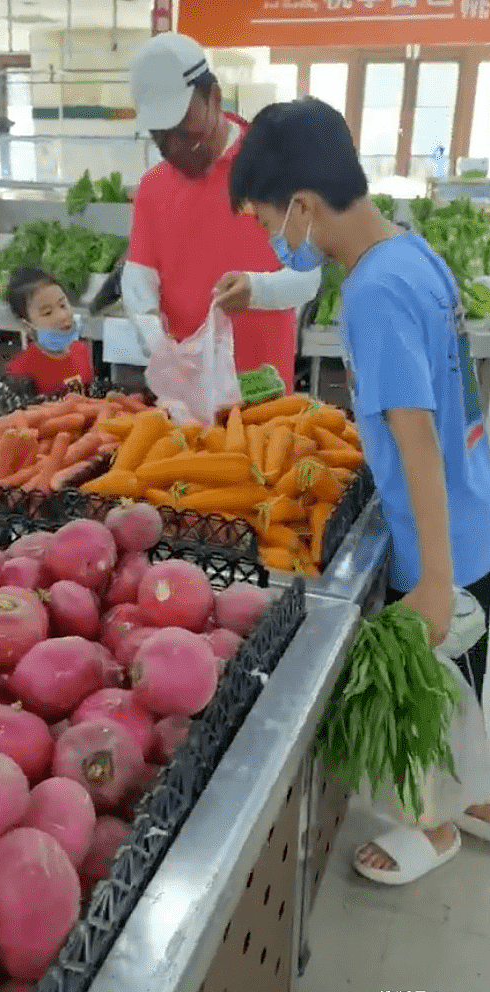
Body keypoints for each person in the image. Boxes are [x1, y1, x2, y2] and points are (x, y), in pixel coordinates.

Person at [229, 96, 490, 885]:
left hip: (444, 538)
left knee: (441, 690)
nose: (275, 239)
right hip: (478, 503)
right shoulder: (410, 252)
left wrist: (434, 579)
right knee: (474, 688)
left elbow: (414, 437)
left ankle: (437, 824)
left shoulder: (372, 294)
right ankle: (477, 800)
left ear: (303, 206)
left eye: (271, 221)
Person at [123, 32, 321, 394]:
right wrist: (152, 334)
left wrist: (257, 289)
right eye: (160, 135)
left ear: (213, 96)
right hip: (187, 393)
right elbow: (139, 279)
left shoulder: (277, 168)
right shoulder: (153, 187)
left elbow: (308, 278)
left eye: (184, 126)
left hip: (264, 391)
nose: (175, 145)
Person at [6, 267, 93, 396]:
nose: (62, 316)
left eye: (63, 305)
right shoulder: (20, 369)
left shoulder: (81, 350)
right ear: (28, 326)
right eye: (47, 313)